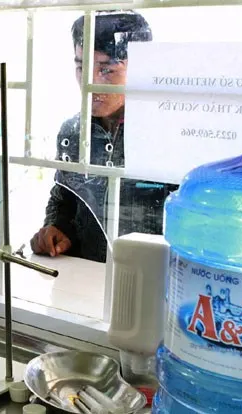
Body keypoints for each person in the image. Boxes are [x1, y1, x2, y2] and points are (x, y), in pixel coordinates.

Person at [30, 11, 178, 263]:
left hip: (152, 280)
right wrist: (55, 229)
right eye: (81, 67)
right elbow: (64, 198)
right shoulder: (73, 132)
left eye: (106, 69)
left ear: (142, 68)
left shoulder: (169, 133)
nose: (90, 83)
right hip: (84, 280)